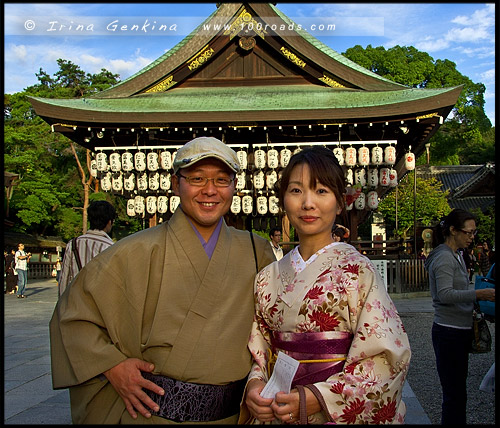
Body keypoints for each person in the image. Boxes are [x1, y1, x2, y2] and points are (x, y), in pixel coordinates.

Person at [49, 136, 276, 424]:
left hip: (233, 416)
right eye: (196, 178)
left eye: (221, 180)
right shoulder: (134, 251)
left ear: (234, 186)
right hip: (153, 415)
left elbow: (276, 332)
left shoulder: (257, 252)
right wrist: (112, 366)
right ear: (175, 183)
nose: (210, 190)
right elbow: (72, 316)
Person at [242, 147, 411, 424]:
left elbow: (386, 357)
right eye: (296, 191)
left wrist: (318, 397)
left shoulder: (359, 272)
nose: (308, 203)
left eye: (321, 191)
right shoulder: (266, 277)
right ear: (283, 199)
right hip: (277, 408)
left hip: (329, 412)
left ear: (340, 202)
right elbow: (260, 347)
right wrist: (255, 385)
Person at [424, 209, 495, 425]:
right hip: (449, 331)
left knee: (457, 391)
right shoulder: (445, 257)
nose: (472, 237)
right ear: (453, 231)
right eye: (468, 233)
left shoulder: (455, 254)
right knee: (454, 393)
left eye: (474, 233)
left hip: (456, 329)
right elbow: (444, 294)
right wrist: (478, 294)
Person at [57, 200, 116, 297]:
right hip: (98, 305)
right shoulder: (111, 247)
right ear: (110, 222)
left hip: (75, 304)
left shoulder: (73, 244)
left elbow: (64, 279)